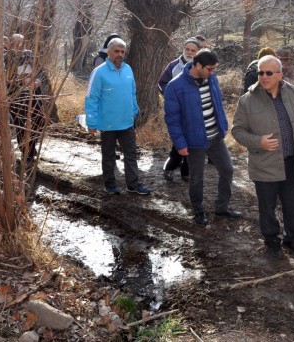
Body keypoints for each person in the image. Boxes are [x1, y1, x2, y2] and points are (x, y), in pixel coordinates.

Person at [232, 55, 294, 258]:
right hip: (264, 165)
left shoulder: (293, 92)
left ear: (280, 75)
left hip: (291, 162)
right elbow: (237, 131)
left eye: (268, 73)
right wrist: (259, 142)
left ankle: (293, 239)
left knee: (293, 206)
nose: (263, 77)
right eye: (260, 72)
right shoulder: (247, 100)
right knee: (267, 208)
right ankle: (272, 241)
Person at [164, 49, 241, 226]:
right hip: (194, 141)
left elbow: (217, 103)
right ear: (197, 65)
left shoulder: (212, 79)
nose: (212, 72)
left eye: (214, 69)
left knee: (227, 170)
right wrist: (180, 143)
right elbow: (172, 118)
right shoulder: (175, 87)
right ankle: (198, 211)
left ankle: (221, 207)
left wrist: (223, 125)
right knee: (196, 178)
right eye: (210, 68)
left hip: (215, 137)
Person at [85, 38, 150, 196]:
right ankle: (110, 184)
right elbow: (91, 98)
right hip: (107, 123)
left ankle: (133, 184)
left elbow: (132, 93)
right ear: (108, 52)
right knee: (108, 156)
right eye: (116, 51)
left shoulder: (128, 69)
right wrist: (91, 122)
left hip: (127, 122)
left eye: (122, 52)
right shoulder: (99, 72)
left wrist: (135, 111)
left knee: (131, 154)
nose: (119, 54)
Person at [158, 38, 202, 181]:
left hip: (194, 110)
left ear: (198, 52)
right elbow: (161, 83)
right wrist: (171, 96)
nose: (189, 52)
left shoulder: (201, 67)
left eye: (193, 50)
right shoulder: (173, 65)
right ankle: (170, 167)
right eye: (187, 49)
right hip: (176, 110)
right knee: (179, 140)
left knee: (192, 140)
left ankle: (186, 172)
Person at [6, 34, 47, 163]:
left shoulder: (29, 54)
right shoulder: (7, 57)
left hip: (34, 93)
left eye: (22, 42)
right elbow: (7, 77)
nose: (19, 45)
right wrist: (21, 80)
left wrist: (38, 80)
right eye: (16, 42)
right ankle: (25, 151)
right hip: (18, 95)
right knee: (21, 123)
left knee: (39, 119)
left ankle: (32, 146)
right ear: (11, 43)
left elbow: (40, 70)